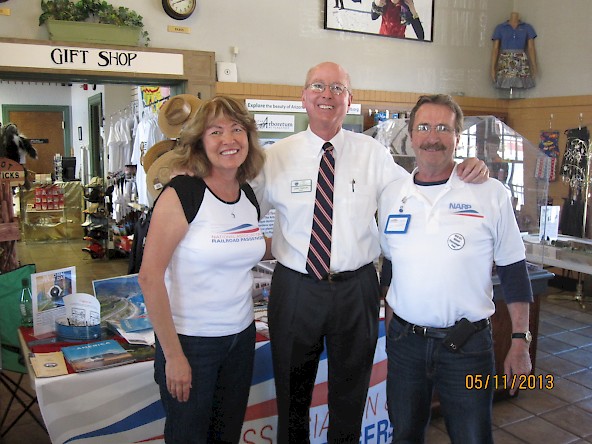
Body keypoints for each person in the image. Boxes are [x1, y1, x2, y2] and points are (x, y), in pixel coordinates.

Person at [250, 62, 488, 443]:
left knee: (350, 394)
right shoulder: (274, 156)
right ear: (303, 96)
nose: (327, 94)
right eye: (318, 86)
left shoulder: (372, 153)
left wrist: (461, 168)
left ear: (350, 100)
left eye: (337, 88)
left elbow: (419, 188)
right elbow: (243, 213)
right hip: (295, 289)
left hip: (356, 290)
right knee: (292, 397)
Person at [378, 94, 533, 443]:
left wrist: (520, 340)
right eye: (424, 127)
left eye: (443, 128)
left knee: (472, 437)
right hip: (406, 346)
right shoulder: (391, 195)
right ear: (411, 135)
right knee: (403, 434)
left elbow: (512, 268)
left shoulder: (489, 192)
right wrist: (392, 328)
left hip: (467, 346)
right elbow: (390, 266)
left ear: (457, 137)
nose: (433, 137)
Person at [139, 95, 269, 443]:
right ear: (200, 142)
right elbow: (150, 277)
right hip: (191, 343)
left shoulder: (247, 196)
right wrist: (174, 357)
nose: (229, 140)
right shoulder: (183, 193)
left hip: (240, 339)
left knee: (225, 436)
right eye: (216, 131)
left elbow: (244, 244)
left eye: (237, 129)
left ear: (249, 137)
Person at [491, 12, 537, 90]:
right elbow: (495, 49)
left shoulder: (527, 27)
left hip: (521, 59)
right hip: (505, 58)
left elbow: (531, 48)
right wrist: (492, 68)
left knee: (521, 84)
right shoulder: (500, 28)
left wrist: (534, 65)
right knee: (506, 82)